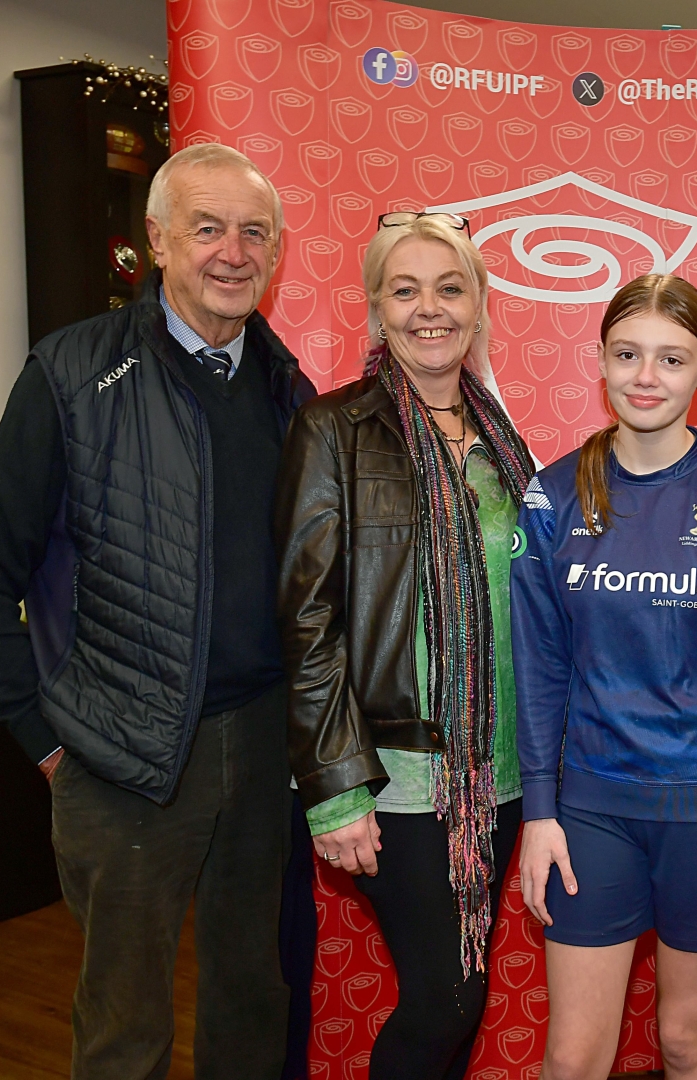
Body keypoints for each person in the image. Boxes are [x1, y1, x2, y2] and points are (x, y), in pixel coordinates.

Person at [0, 143, 315, 1079]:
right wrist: (51, 744)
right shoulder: (71, 375)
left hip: (263, 747)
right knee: (124, 1022)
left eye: (254, 231)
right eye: (207, 227)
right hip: (120, 758)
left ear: (275, 250)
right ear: (156, 239)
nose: (233, 251)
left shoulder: (288, 389)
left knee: (251, 998)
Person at [511, 274, 697, 1080]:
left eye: (672, 359)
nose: (647, 376)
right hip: (592, 812)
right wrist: (540, 811)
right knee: (571, 1057)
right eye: (628, 354)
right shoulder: (551, 496)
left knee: (684, 1042)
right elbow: (538, 669)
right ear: (599, 363)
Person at [275, 212, 536, 1080]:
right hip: (395, 781)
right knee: (447, 998)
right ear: (376, 308)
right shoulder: (333, 430)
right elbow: (306, 621)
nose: (430, 308)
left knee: (463, 995)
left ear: (478, 305)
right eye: (406, 288)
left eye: (450, 287)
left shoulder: (504, 442)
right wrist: (336, 789)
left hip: (497, 780)